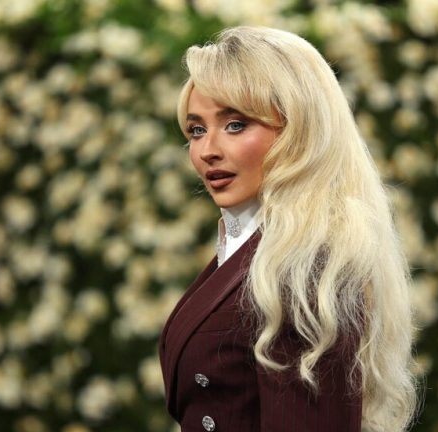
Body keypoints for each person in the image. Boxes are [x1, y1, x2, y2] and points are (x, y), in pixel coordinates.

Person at [159, 26, 417, 432]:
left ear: (298, 131)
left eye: (235, 125)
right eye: (196, 130)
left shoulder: (306, 270)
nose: (207, 151)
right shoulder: (259, 248)